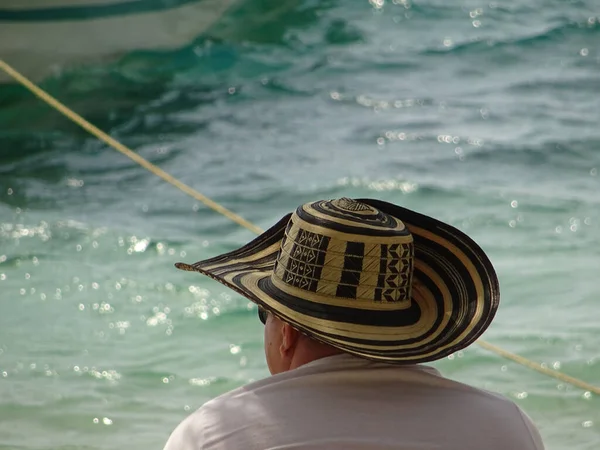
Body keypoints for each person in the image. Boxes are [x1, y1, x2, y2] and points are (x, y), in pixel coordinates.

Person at [164, 197, 545, 450]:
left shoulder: (211, 434)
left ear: (287, 333)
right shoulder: (504, 428)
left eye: (265, 313)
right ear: (404, 331)